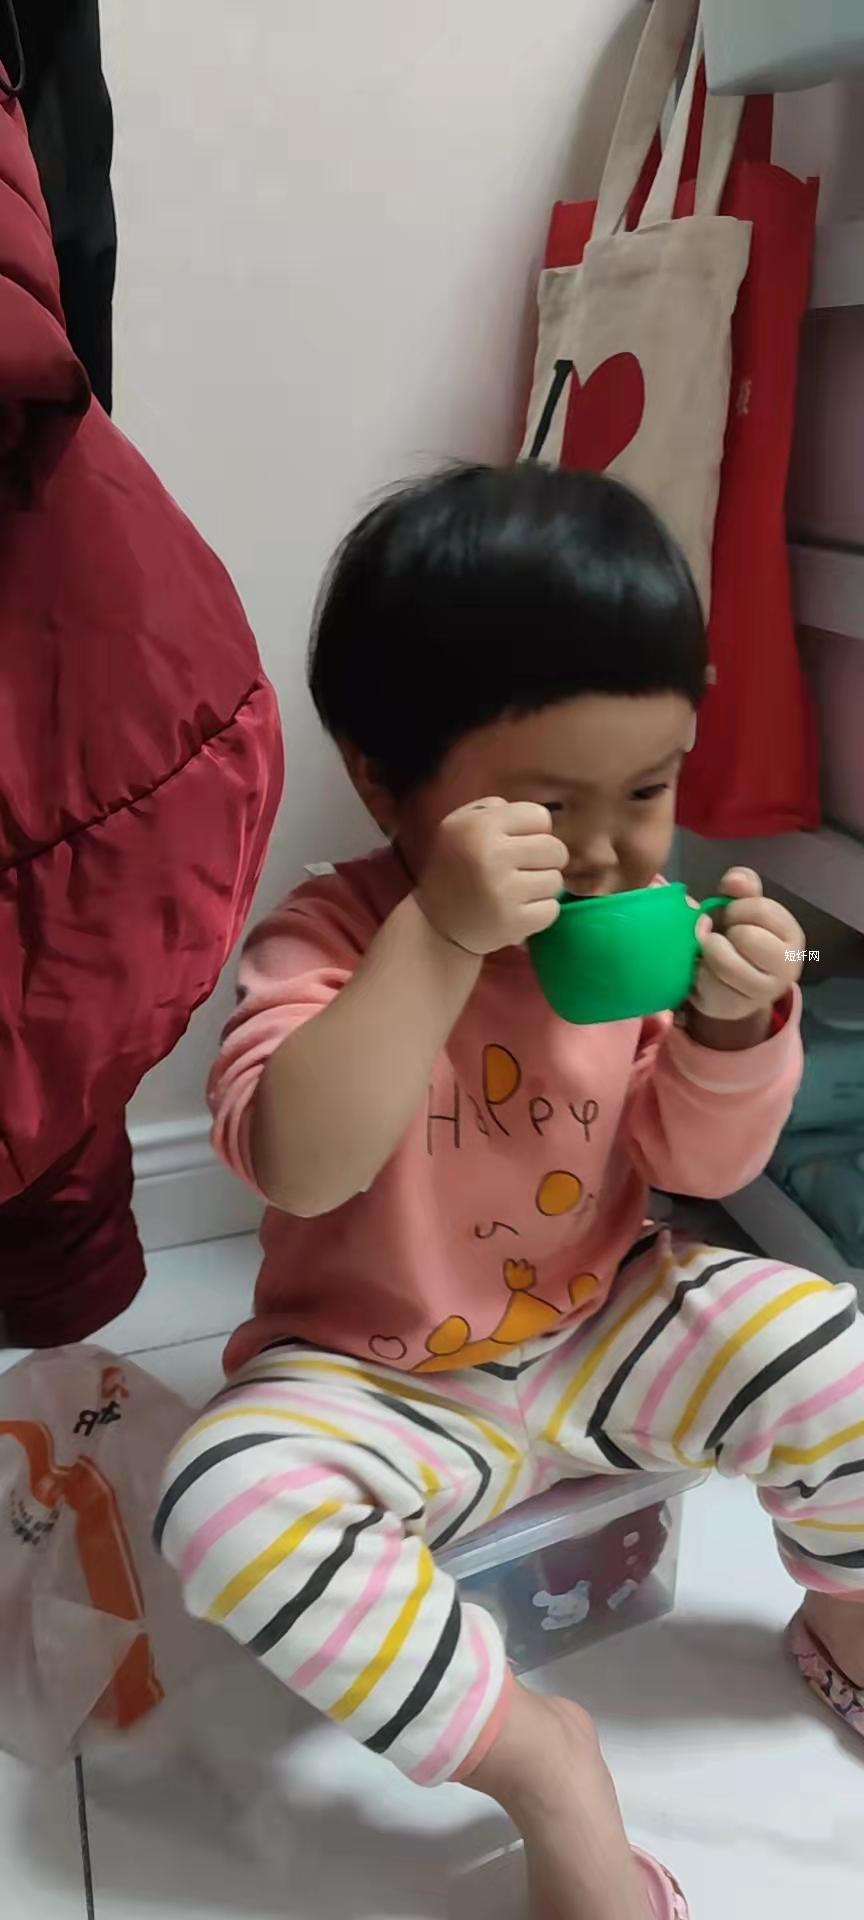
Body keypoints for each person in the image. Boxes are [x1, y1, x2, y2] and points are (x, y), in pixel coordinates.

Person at [156, 465, 864, 1920]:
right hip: (375, 1369)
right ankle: (545, 1767)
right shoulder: (329, 937)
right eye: (545, 807)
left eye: (650, 791)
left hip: (603, 1317)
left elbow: (698, 1171)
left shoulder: (637, 939)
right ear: (382, 780)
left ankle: (848, 1616)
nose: (608, 850)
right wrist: (438, 937)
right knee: (221, 1507)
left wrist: (731, 1033)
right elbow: (300, 1159)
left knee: (831, 1344)